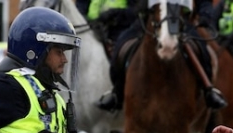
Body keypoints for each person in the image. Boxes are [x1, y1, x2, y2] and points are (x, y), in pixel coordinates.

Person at [96, 0, 226, 111]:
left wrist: (205, 15)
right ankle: (117, 93)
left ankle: (208, 91)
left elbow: (204, 2)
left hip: (180, 21)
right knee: (121, 45)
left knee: (202, 50)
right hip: (151, 20)